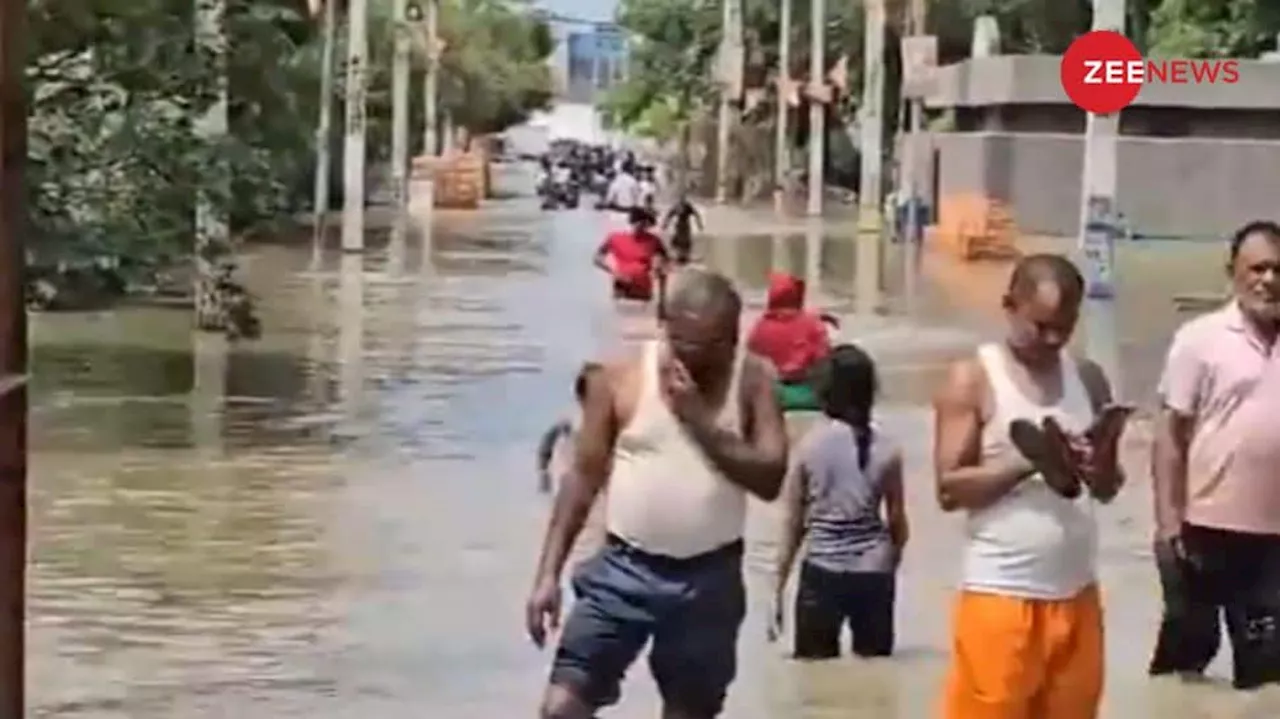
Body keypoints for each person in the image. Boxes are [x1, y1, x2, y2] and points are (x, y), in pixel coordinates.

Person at [525, 268, 789, 719]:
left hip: (709, 580)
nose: (706, 360)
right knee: (561, 708)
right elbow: (583, 479)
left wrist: (698, 420)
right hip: (623, 570)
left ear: (734, 334)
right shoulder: (619, 377)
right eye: (692, 347)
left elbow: (770, 478)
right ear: (665, 329)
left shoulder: (754, 379)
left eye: (718, 347)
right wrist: (547, 575)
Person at [933, 253, 1127, 719]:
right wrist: (1026, 463)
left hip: (1076, 591)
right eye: (1041, 326)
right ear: (1009, 306)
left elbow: (1108, 489)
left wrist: (1096, 466)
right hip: (1001, 594)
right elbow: (947, 489)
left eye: (1066, 326)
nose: (1054, 338)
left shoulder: (1087, 377)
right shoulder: (974, 378)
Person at [1148, 220, 1280, 690]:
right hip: (1200, 531)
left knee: (1268, 673)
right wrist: (1168, 524)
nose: (1268, 280)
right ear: (1233, 272)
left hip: (1273, 543)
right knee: (1186, 662)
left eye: (1279, 270)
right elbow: (1169, 434)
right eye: (1258, 268)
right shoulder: (1199, 339)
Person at [769, 344, 909, 659]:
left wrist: (777, 588)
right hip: (874, 571)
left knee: (814, 675)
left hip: (822, 572)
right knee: (876, 679)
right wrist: (890, 565)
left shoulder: (809, 446)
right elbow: (898, 523)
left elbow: (793, 524)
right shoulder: (888, 448)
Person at [747, 272, 831, 412]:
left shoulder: (759, 327)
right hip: (809, 398)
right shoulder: (812, 324)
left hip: (770, 397)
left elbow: (751, 361)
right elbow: (824, 361)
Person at [536, 363, 602, 494]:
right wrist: (543, 473)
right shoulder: (571, 423)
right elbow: (547, 443)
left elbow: (547, 443)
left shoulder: (570, 422)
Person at [594, 207, 668, 304]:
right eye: (641, 223)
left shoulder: (654, 240)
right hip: (622, 287)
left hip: (643, 289)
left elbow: (665, 262)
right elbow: (597, 258)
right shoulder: (615, 238)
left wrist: (658, 268)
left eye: (645, 224)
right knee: (620, 313)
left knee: (640, 314)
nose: (642, 227)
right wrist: (613, 271)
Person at [663, 194, 704, 265]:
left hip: (684, 225)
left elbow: (696, 214)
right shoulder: (678, 206)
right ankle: (679, 254)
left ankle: (683, 255)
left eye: (682, 199)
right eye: (681, 199)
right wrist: (665, 224)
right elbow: (669, 215)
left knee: (684, 239)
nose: (682, 201)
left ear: (684, 199)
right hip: (680, 225)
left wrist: (699, 224)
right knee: (678, 239)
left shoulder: (686, 206)